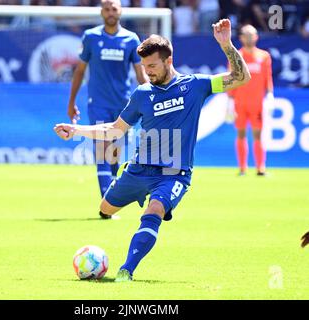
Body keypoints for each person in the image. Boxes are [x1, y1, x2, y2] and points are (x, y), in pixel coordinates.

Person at [55, 19, 251, 281]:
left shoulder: (195, 85)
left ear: (168, 61)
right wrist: (76, 130)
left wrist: (226, 45)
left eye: (152, 65)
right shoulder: (142, 94)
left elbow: (241, 77)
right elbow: (115, 129)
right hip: (138, 169)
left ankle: (127, 270)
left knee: (155, 209)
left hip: (174, 173)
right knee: (105, 208)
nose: (147, 71)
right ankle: (126, 187)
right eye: (144, 66)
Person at [67, 0, 148, 219]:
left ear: (120, 11)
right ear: (101, 12)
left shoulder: (131, 39)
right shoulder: (91, 37)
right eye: (107, 9)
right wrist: (71, 101)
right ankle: (106, 206)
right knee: (102, 150)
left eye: (114, 8)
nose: (110, 12)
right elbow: (79, 71)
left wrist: (149, 101)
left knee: (115, 156)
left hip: (123, 104)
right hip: (98, 103)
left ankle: (109, 196)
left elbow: (140, 76)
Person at [226, 24, 274, 176]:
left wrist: (270, 96)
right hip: (240, 102)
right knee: (241, 133)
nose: (249, 37)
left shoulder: (264, 56)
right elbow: (231, 79)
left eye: (251, 34)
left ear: (256, 37)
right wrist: (229, 101)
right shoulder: (236, 57)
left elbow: (268, 77)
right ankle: (242, 168)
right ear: (240, 38)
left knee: (258, 134)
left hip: (257, 103)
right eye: (246, 35)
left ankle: (260, 167)